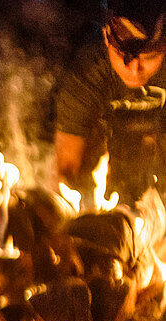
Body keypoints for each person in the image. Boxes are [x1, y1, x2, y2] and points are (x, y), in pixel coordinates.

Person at [54, 0, 166, 205]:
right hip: (103, 189)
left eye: (150, 57)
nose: (134, 70)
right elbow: (65, 169)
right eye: (123, 56)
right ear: (106, 38)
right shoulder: (89, 70)